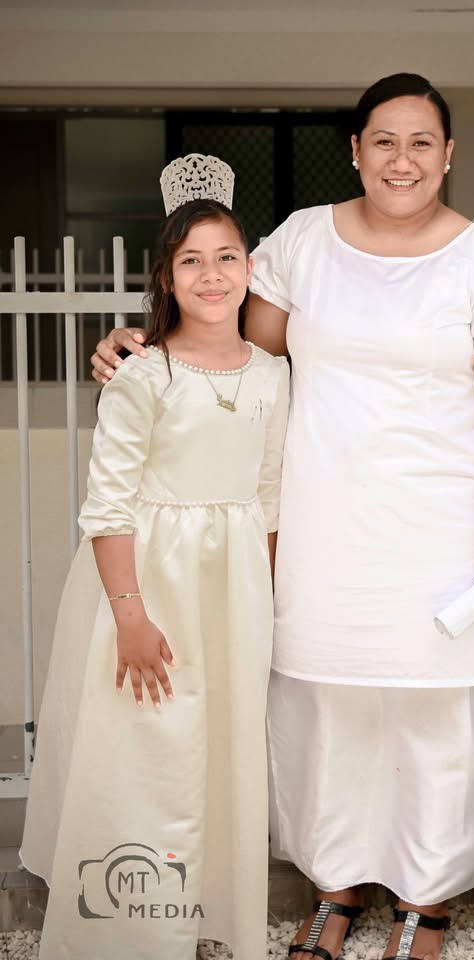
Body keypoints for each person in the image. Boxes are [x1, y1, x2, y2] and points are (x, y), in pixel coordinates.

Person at [91, 73, 474, 960]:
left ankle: (426, 899)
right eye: (384, 141)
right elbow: (230, 350)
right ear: (356, 151)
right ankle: (336, 889)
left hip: (447, 522)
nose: (403, 160)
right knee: (326, 706)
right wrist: (136, 348)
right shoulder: (304, 239)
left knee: (436, 713)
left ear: (449, 154)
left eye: (422, 143)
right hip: (320, 518)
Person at [21, 156, 290, 960]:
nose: (212, 276)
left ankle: (205, 915)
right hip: (149, 581)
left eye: (227, 257)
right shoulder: (144, 375)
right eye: (191, 261)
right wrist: (130, 618)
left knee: (220, 747)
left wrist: (266, 600)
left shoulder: (273, 375)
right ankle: (130, 932)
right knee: (146, 748)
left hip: (232, 586)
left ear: (250, 269)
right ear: (167, 279)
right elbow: (107, 506)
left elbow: (269, 495)